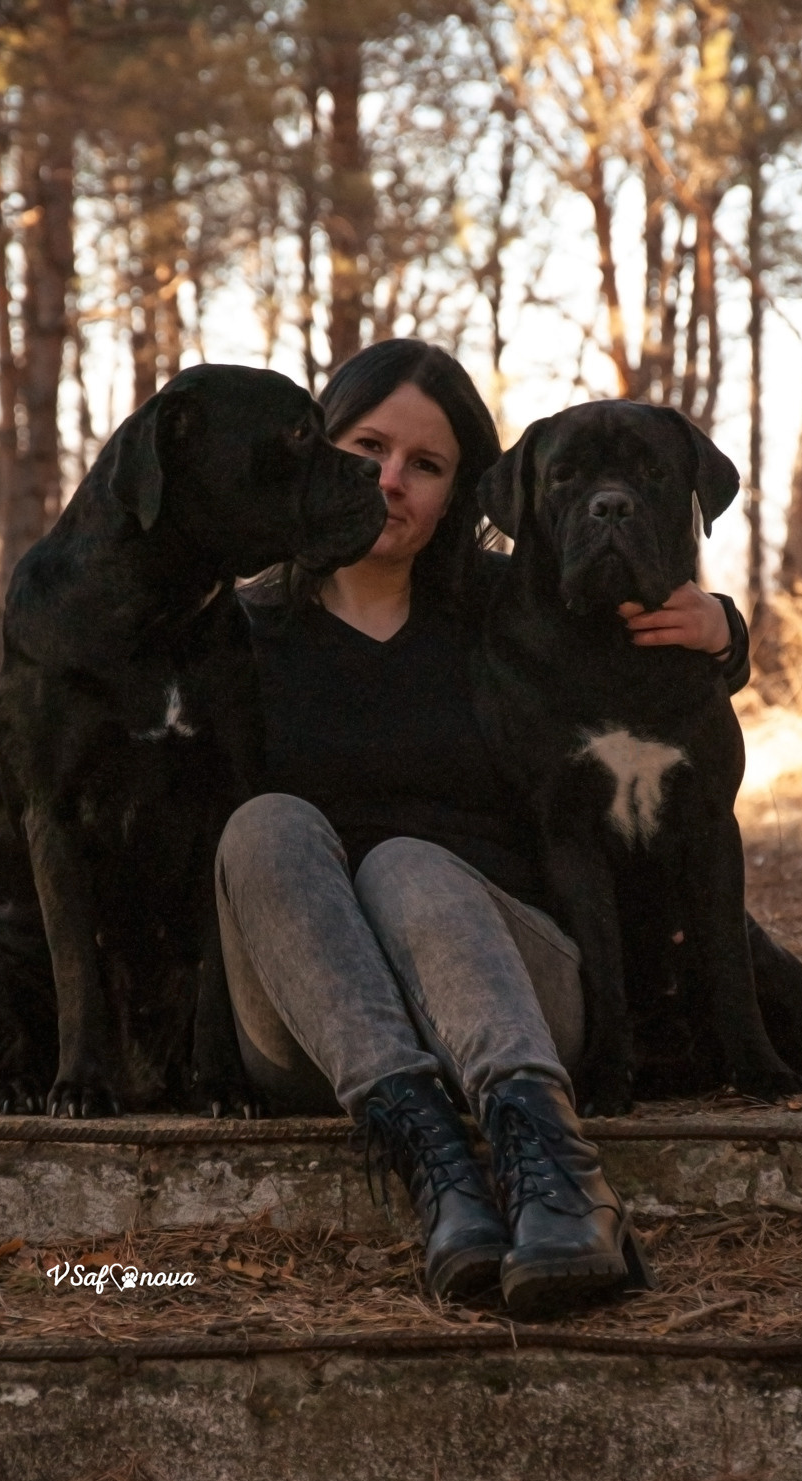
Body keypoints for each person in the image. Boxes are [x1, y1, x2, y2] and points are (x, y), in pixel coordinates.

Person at [214, 339, 747, 1318]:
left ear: (464, 490)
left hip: (513, 998)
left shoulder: (516, 605)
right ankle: (439, 1169)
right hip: (318, 1023)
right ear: (319, 450)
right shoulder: (241, 631)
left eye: (427, 464)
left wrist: (726, 629)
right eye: (367, 448)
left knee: (411, 864)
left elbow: (666, 678)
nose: (390, 482)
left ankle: (554, 1176)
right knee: (265, 827)